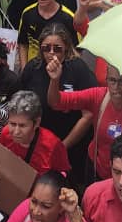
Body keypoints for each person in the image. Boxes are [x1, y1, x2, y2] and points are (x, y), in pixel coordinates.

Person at [48, 56, 122, 181]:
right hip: (97, 170)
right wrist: (54, 80)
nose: (116, 88)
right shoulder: (98, 96)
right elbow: (56, 102)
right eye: (112, 81)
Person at [18, 24, 98, 172]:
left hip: (71, 144)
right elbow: (20, 105)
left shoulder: (78, 68)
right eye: (46, 48)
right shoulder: (33, 67)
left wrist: (62, 146)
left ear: (66, 48)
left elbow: (88, 115)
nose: (52, 53)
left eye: (57, 48)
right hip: (38, 144)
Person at [0, 91, 70, 183]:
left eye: (22, 126)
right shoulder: (6, 132)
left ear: (37, 123)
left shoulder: (53, 145)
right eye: (12, 124)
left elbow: (63, 175)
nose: (16, 132)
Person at [18, 0, 78, 69]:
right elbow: (23, 43)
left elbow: (77, 51)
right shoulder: (27, 13)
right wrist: (24, 70)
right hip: (33, 70)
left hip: (59, 71)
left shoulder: (68, 18)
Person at [3, 170, 88, 222]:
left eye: (46, 206)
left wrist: (74, 214)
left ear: (62, 207)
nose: (36, 211)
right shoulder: (25, 207)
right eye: (34, 201)